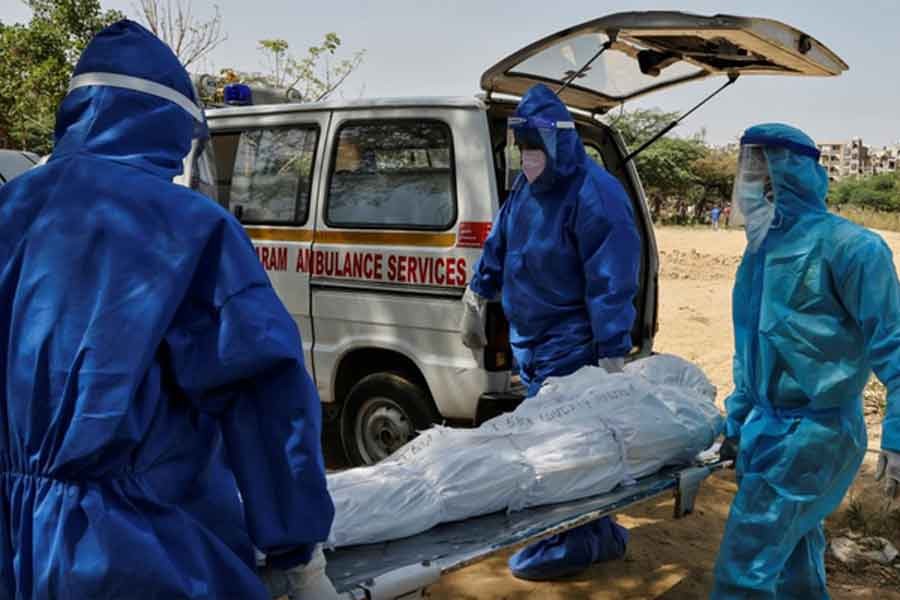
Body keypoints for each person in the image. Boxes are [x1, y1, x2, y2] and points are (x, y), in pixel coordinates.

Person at [0, 20, 337, 600]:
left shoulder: (10, 208)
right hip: (138, 548)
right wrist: (297, 550)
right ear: (167, 124)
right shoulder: (190, 226)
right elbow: (263, 395)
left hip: (15, 538)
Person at [460, 83, 641, 580]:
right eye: (522, 147)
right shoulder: (527, 188)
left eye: (535, 146)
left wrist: (612, 350)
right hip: (531, 342)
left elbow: (612, 278)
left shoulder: (595, 194)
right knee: (562, 441)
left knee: (567, 448)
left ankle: (572, 543)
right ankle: (598, 535)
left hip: (572, 345)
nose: (527, 157)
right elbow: (502, 243)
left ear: (560, 141)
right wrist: (478, 292)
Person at [713, 123, 900, 599]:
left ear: (796, 172)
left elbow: (894, 344)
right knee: (792, 551)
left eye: (765, 169)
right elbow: (750, 348)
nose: (755, 183)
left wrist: (897, 435)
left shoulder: (853, 248)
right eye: (749, 171)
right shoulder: (760, 250)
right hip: (768, 428)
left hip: (815, 434)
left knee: (746, 567)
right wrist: (736, 423)